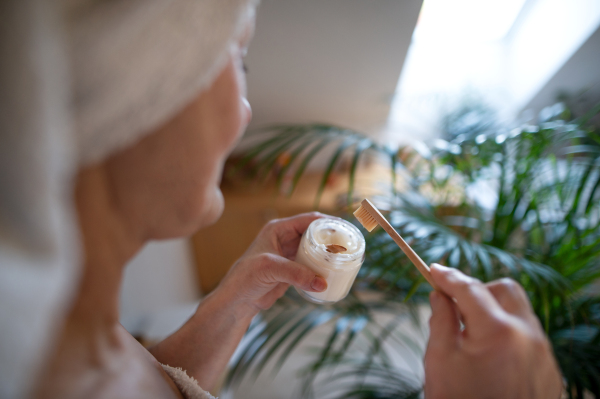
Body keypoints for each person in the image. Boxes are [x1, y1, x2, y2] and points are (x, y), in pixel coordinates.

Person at [0, 1, 563, 398]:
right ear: (133, 81)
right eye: (237, 61)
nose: (246, 113)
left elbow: (147, 383)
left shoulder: (79, 339)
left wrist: (233, 301)